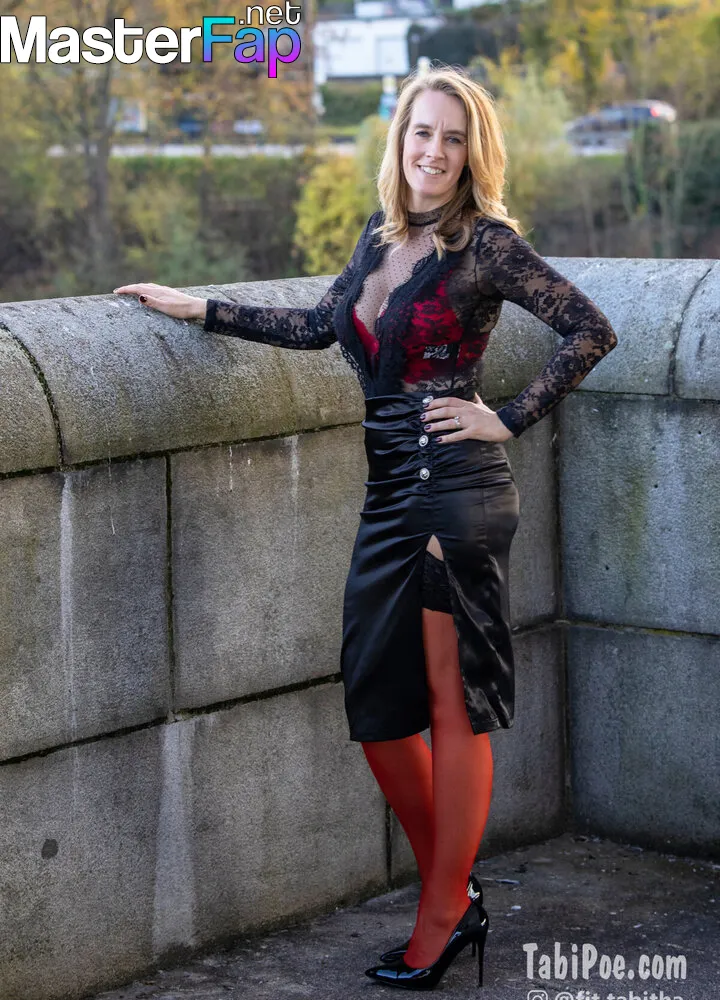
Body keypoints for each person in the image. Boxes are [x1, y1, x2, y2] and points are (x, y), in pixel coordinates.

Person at [114, 64, 618, 991]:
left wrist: (506, 417)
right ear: (399, 140)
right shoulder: (379, 238)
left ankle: (442, 915)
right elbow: (319, 326)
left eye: (453, 138)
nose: (435, 151)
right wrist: (203, 308)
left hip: (453, 491)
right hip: (389, 496)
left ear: (472, 154)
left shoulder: (487, 245)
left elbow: (590, 330)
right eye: (422, 132)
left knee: (451, 705)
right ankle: (453, 892)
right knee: (378, 708)